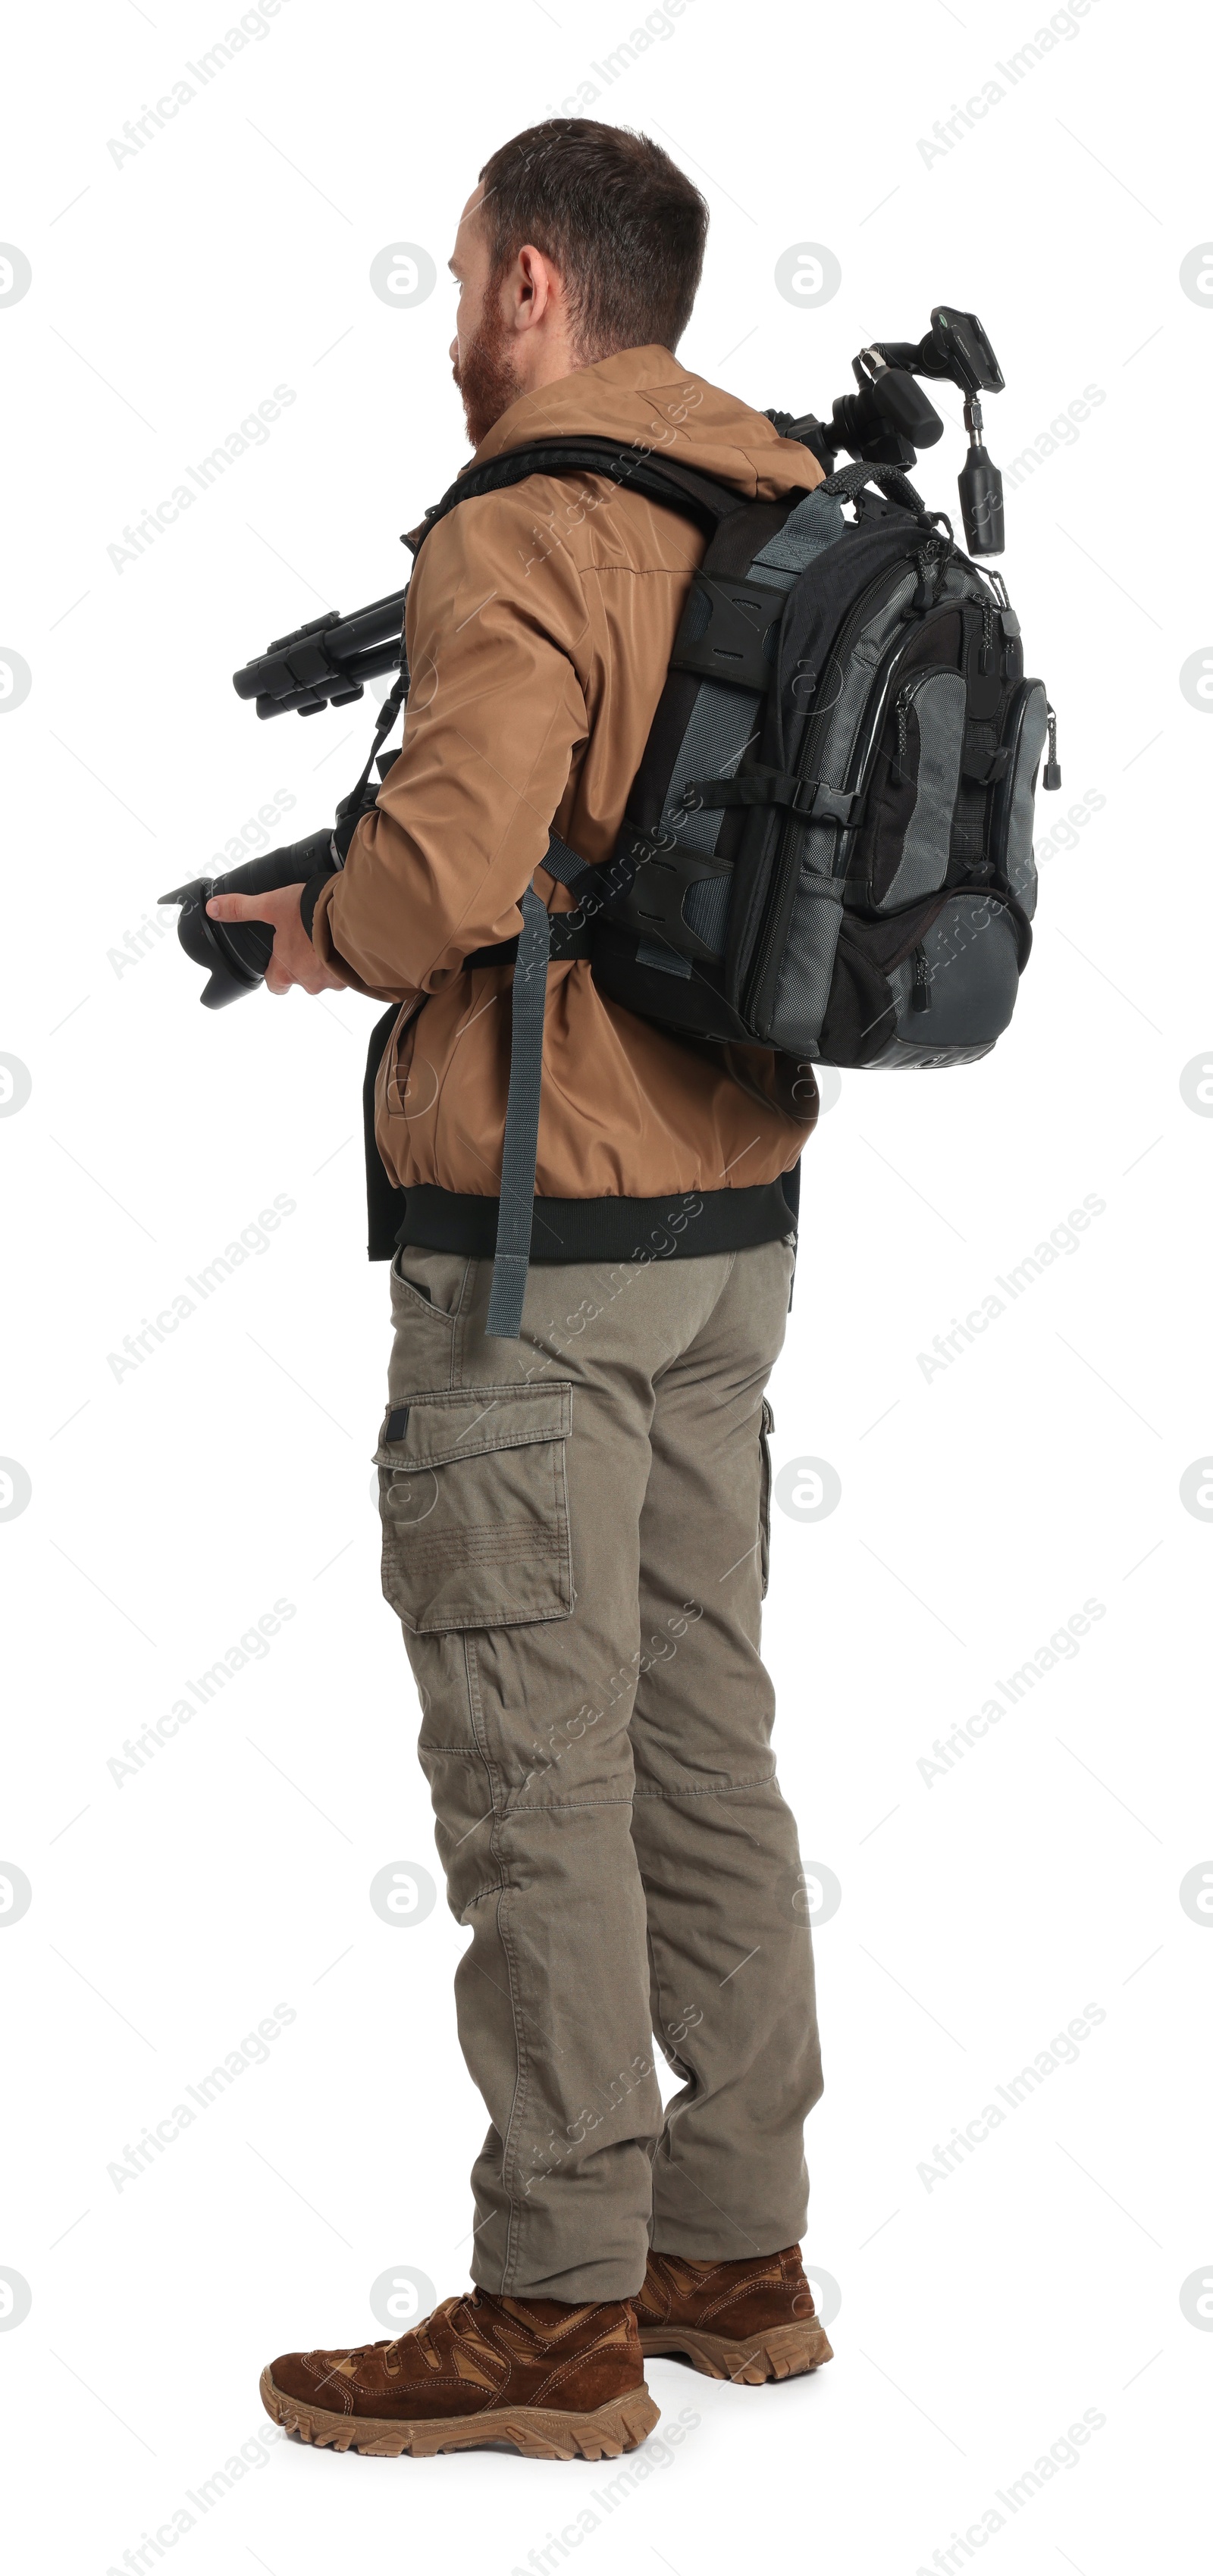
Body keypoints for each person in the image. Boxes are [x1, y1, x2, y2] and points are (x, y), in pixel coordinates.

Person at [212, 117, 832, 2463]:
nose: (455, 311)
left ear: (543, 287)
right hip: (732, 1225)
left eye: (467, 270)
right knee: (700, 1736)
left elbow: (449, 867)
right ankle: (736, 2248)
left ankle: (558, 2308)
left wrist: (310, 936)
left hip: (544, 1254)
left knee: (531, 1773)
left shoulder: (525, 519)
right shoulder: (766, 495)